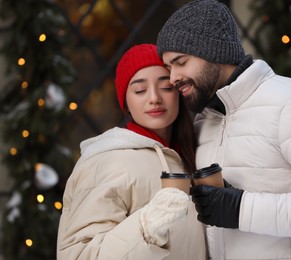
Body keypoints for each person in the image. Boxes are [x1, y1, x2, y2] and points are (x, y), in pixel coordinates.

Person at [156, 0, 291, 259]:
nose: (173, 77)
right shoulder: (205, 122)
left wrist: (241, 209)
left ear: (213, 52)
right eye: (168, 67)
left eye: (181, 61)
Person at [57, 44, 206, 259]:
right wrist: (147, 227)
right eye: (140, 90)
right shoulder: (107, 162)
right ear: (125, 101)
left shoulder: (190, 155)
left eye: (166, 87)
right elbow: (80, 254)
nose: (154, 97)